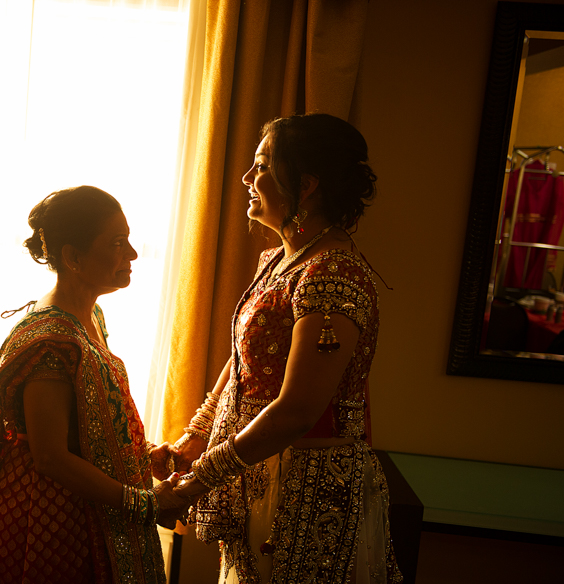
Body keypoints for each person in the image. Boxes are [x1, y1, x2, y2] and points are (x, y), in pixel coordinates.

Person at [168, 114, 403, 583]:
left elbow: (297, 411)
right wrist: (197, 436)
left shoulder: (331, 274)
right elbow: (244, 362)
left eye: (261, 166)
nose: (247, 179)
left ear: (307, 183)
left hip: (306, 487)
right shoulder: (279, 259)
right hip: (257, 470)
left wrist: (198, 480)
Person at [0, 185, 185, 584]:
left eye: (129, 240)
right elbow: (51, 457)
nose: (132, 254)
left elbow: (88, 419)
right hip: (50, 517)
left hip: (89, 503)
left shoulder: (91, 315)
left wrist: (143, 454)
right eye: (118, 243)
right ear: (73, 257)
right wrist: (143, 503)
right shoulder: (50, 341)